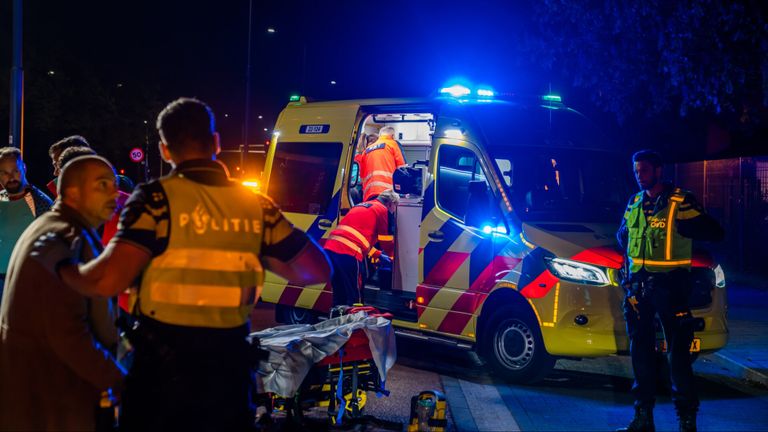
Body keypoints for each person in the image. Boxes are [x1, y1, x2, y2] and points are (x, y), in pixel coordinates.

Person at [38, 97, 331, 430]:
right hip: (228, 370)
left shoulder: (154, 201)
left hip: (163, 370)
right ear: (216, 143)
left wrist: (61, 267)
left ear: (164, 150)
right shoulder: (255, 207)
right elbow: (317, 270)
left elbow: (107, 281)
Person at [0, 155, 125, 431]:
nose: (114, 193)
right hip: (54, 403)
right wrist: (118, 379)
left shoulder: (57, 228)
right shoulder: (65, 236)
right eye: (102, 185)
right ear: (71, 192)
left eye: (114, 184)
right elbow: (67, 332)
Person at [616, 150, 724, 432]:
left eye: (645, 171)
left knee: (678, 357)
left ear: (659, 170)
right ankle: (643, 419)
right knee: (641, 356)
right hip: (639, 291)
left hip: (670, 288)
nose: (640, 176)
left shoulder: (680, 201)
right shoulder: (635, 202)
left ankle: (686, 420)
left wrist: (687, 227)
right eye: (637, 171)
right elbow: (622, 236)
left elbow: (714, 231)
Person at [324, 189, 398, 306]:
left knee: (339, 293)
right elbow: (386, 241)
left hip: (330, 250)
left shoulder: (361, 206)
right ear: (390, 203)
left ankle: (336, 320)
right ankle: (355, 322)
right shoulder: (382, 210)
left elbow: (359, 240)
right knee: (355, 295)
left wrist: (377, 254)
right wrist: (396, 259)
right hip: (349, 254)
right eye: (396, 207)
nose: (395, 211)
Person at [0, 146, 53, 299]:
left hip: (25, 279)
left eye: (15, 171)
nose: (11, 177)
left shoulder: (40, 203)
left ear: (24, 168)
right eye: (4, 172)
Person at [355, 126, 407, 201]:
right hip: (387, 194)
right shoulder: (392, 144)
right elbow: (402, 169)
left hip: (369, 194)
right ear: (393, 136)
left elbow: (362, 177)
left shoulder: (366, 151)